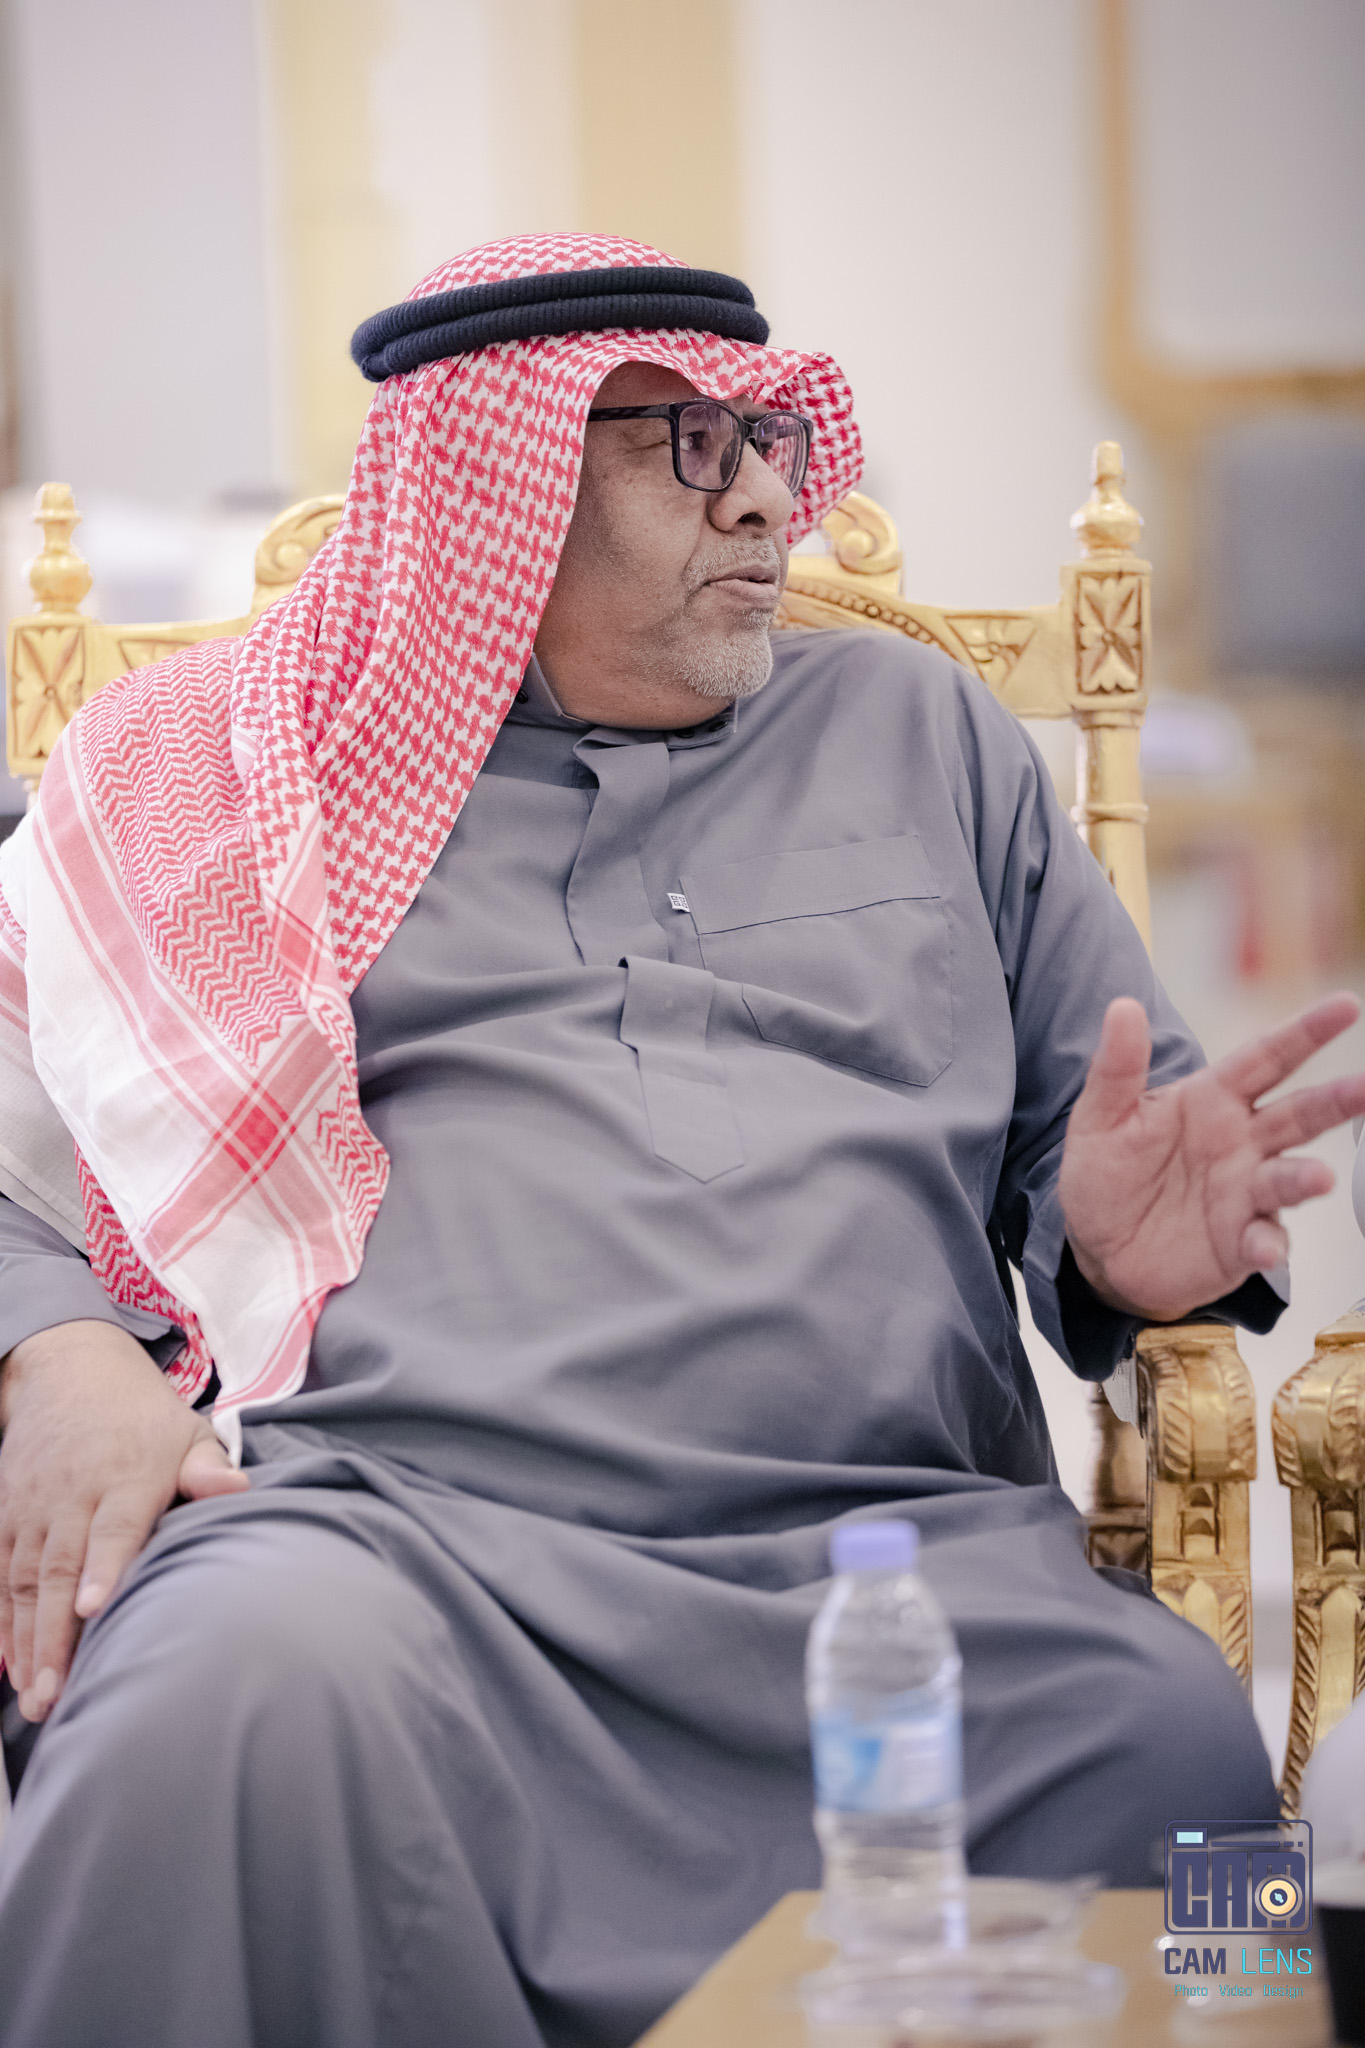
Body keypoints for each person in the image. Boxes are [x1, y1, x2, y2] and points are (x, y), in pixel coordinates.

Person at [0, 233, 1360, 2048]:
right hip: (399, 1555)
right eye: (691, 448)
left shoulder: (924, 732)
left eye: (770, 441)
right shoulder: (245, 779)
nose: (770, 501)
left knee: (1178, 1746)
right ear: (493, 496)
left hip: (898, 1563)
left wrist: (1123, 1250)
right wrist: (58, 1347)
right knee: (210, 1708)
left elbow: (1115, 1141)